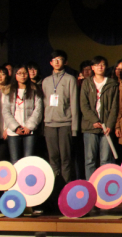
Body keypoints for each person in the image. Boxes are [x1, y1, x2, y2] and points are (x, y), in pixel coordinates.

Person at [41, 50, 78, 192]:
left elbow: (74, 104)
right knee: (53, 158)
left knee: (66, 158)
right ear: (50, 63)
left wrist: (74, 128)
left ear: (65, 62)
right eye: (54, 59)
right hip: (49, 124)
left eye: (60, 59)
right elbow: (43, 104)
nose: (57, 62)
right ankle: (54, 189)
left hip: (65, 124)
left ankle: (66, 189)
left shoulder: (70, 79)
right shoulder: (46, 81)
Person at [3, 65, 43, 163]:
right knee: (15, 160)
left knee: (28, 160)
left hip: (29, 131)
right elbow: (6, 111)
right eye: (19, 73)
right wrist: (15, 127)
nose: (22, 76)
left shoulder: (34, 90)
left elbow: (38, 110)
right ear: (15, 75)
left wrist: (29, 126)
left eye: (24, 73)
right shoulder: (9, 91)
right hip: (13, 131)